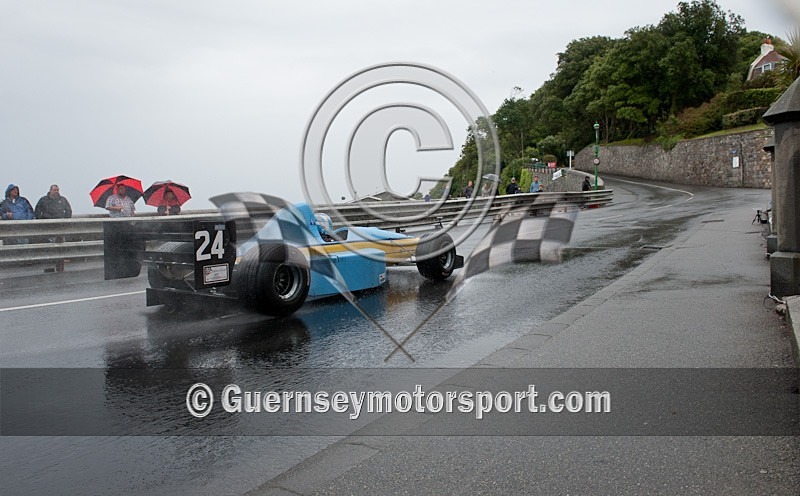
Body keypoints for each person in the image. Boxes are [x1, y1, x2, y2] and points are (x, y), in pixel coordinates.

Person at [35, 184, 72, 272]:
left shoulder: (62, 199)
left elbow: (68, 210)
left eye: (57, 190)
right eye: (55, 190)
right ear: (50, 190)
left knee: (60, 247)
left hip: (60, 226)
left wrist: (65, 220)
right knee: (48, 247)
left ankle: (60, 267)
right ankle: (48, 266)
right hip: (47, 226)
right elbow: (37, 211)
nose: (56, 192)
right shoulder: (43, 200)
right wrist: (41, 221)